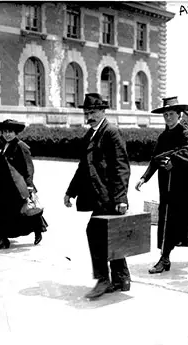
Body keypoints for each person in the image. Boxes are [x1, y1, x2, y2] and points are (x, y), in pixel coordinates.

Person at [135, 97, 188, 273]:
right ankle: (166, 259)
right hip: (166, 184)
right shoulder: (163, 136)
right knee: (167, 220)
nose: (168, 117)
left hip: (184, 185)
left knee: (184, 220)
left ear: (179, 115)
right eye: (165, 114)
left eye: (171, 114)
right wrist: (144, 177)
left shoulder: (185, 133)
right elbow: (156, 158)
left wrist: (174, 160)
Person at [64, 93, 131, 299]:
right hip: (99, 196)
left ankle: (104, 280)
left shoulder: (111, 132)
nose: (89, 116)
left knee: (95, 233)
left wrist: (121, 199)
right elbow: (83, 168)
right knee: (111, 234)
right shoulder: (90, 135)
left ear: (103, 111)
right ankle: (122, 278)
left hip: (110, 196)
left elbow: (122, 167)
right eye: (86, 112)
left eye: (92, 112)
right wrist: (70, 191)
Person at [0, 119, 48, 251]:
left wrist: (29, 186)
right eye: (5, 132)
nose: (7, 134)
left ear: (16, 133)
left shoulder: (21, 146)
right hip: (3, 188)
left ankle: (38, 229)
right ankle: (3, 239)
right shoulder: (3, 145)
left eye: (10, 132)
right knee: (1, 212)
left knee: (24, 212)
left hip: (18, 187)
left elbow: (29, 168)